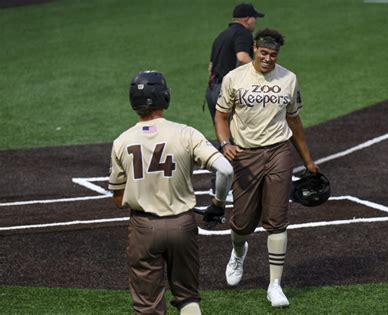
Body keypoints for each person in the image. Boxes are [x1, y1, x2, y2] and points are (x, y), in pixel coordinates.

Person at [108, 70, 233, 315]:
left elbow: (118, 199)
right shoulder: (185, 133)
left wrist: (143, 192)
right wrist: (218, 204)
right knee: (187, 297)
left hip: (143, 229)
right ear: (165, 97)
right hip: (182, 226)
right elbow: (226, 169)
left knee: (147, 306)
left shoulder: (122, 142)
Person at [213, 28, 318, 308]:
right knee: (243, 223)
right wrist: (225, 143)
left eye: (273, 55)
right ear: (255, 49)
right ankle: (238, 252)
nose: (268, 59)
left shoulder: (289, 78)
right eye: (263, 53)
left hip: (278, 152)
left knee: (277, 220)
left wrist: (308, 161)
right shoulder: (234, 78)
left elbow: (294, 121)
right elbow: (221, 115)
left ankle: (275, 285)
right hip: (245, 155)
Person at [205, 2, 265, 122]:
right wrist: (261, 74)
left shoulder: (221, 36)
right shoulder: (243, 33)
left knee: (223, 133)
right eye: (255, 18)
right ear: (248, 19)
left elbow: (210, 68)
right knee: (241, 133)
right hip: (227, 90)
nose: (255, 22)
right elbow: (242, 57)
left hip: (212, 91)